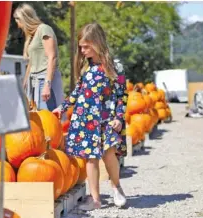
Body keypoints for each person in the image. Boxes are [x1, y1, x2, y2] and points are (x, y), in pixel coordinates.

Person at [53, 22, 128, 210]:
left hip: (107, 118)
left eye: (86, 46)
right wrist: (62, 107)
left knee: (109, 154)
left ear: (97, 42)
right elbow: (78, 92)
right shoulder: (87, 68)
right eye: (81, 46)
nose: (83, 50)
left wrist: (119, 117)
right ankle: (95, 199)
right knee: (90, 158)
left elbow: (122, 95)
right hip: (85, 119)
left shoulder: (115, 67)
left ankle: (116, 186)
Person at [13, 3, 64, 111]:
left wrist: (47, 84)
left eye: (18, 21)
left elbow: (52, 57)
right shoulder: (32, 36)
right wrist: (24, 84)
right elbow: (31, 63)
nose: (18, 25)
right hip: (34, 80)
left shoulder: (44, 29)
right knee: (36, 118)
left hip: (44, 78)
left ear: (24, 18)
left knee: (47, 116)